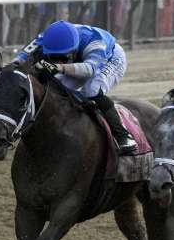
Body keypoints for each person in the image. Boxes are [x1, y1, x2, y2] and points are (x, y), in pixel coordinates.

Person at [16, 19, 138, 155]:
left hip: (111, 58)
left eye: (63, 57)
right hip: (80, 59)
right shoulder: (45, 38)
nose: (58, 60)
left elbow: (90, 69)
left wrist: (59, 67)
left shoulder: (95, 42)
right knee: (55, 88)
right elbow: (19, 60)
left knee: (91, 90)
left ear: (74, 49)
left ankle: (123, 136)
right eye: (53, 57)